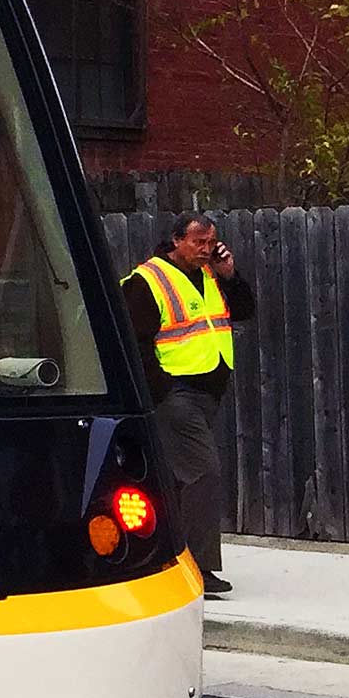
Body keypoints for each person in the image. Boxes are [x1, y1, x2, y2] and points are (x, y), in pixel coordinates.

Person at [122, 213, 252, 597]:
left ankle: (163, 560)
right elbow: (135, 343)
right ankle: (198, 566)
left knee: (177, 480)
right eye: (198, 242)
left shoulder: (212, 274)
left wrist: (230, 273)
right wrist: (161, 390)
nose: (206, 249)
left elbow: (244, 309)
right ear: (176, 240)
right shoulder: (148, 280)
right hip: (176, 396)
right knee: (202, 474)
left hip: (207, 392)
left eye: (211, 242)